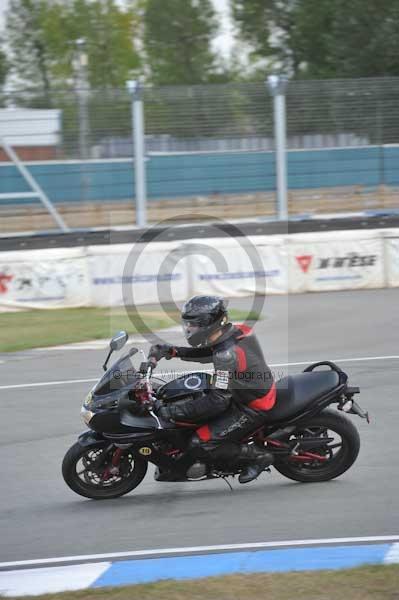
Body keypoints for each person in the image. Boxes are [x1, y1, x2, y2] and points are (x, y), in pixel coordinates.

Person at [149, 295, 276, 484]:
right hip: (245, 390)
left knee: (199, 443)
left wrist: (172, 411)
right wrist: (173, 351)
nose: (189, 329)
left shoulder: (226, 356)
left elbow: (218, 400)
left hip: (252, 405)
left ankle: (258, 456)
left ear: (210, 323)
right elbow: (211, 351)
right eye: (188, 324)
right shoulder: (232, 332)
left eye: (194, 325)